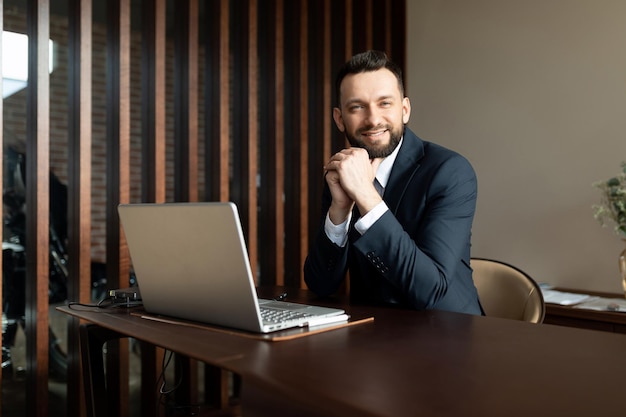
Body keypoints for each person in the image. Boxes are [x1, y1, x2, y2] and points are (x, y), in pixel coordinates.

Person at [304, 50, 483, 315]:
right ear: (340, 119)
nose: (373, 119)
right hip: (373, 336)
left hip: (448, 335)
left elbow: (429, 289)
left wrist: (366, 196)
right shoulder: (344, 173)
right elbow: (321, 284)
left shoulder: (450, 172)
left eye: (385, 103)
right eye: (357, 107)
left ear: (405, 109)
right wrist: (339, 212)